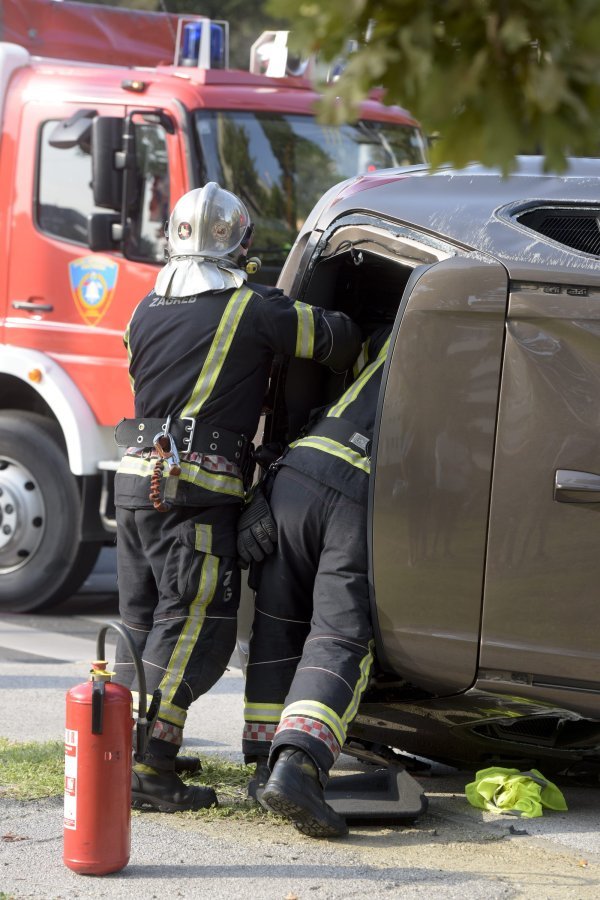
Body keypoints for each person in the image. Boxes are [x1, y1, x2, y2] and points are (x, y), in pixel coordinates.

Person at [113, 182, 362, 813]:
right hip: (192, 497)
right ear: (241, 244)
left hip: (134, 486)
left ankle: (122, 748)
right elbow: (334, 338)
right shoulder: (252, 307)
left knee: (142, 625)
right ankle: (151, 766)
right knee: (195, 625)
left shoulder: (143, 308)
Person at [240, 323, 391, 837]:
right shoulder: (467, 342)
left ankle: (264, 763)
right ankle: (299, 767)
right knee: (339, 635)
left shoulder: (390, 332)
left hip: (299, 465)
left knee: (277, 622)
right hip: (359, 482)